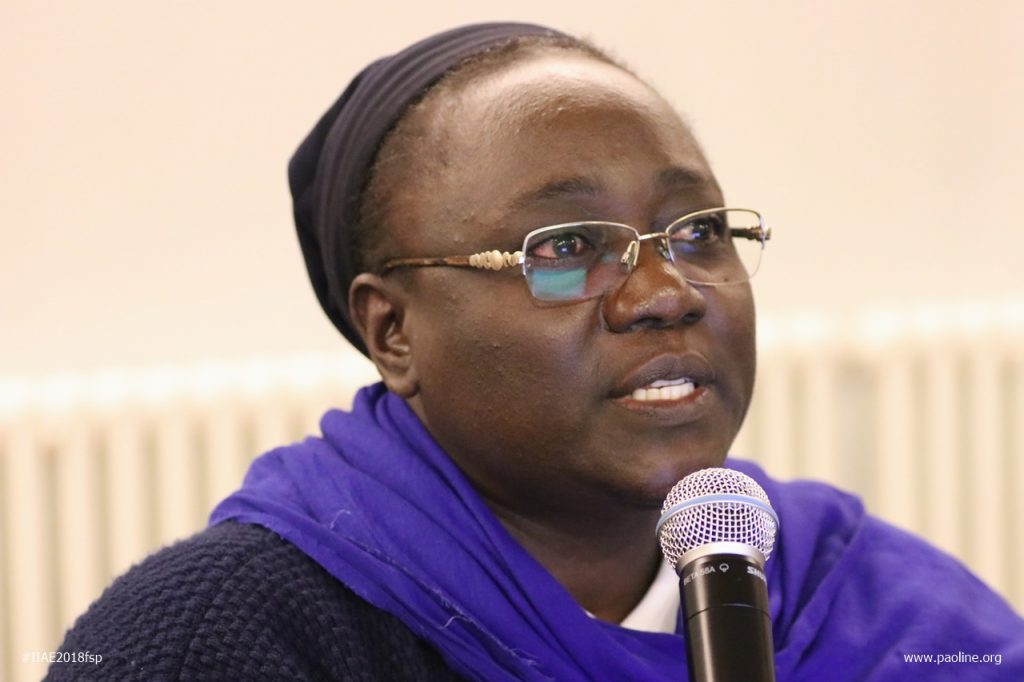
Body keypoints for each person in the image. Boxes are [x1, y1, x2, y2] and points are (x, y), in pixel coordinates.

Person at [48, 21, 1023, 681]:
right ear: (394, 332)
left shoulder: (871, 603)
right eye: (565, 248)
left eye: (696, 232)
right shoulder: (217, 640)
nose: (666, 293)